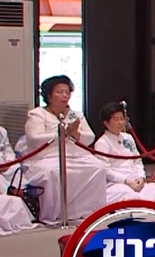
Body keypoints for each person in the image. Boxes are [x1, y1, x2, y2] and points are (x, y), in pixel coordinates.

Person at [21, 75, 108, 225]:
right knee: (54, 172)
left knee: (97, 167)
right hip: (46, 157)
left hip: (75, 155)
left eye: (67, 92)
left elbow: (90, 137)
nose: (64, 96)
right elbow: (34, 139)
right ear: (48, 95)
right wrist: (62, 133)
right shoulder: (37, 114)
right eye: (59, 92)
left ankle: (88, 209)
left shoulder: (76, 114)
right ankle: (55, 214)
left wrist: (76, 134)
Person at [93, 102, 155, 205]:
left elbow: (137, 160)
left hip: (136, 179)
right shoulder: (102, 143)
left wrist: (141, 177)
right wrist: (127, 181)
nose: (120, 122)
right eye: (116, 119)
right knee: (129, 195)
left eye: (122, 119)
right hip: (116, 184)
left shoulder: (128, 138)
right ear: (106, 123)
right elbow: (106, 170)